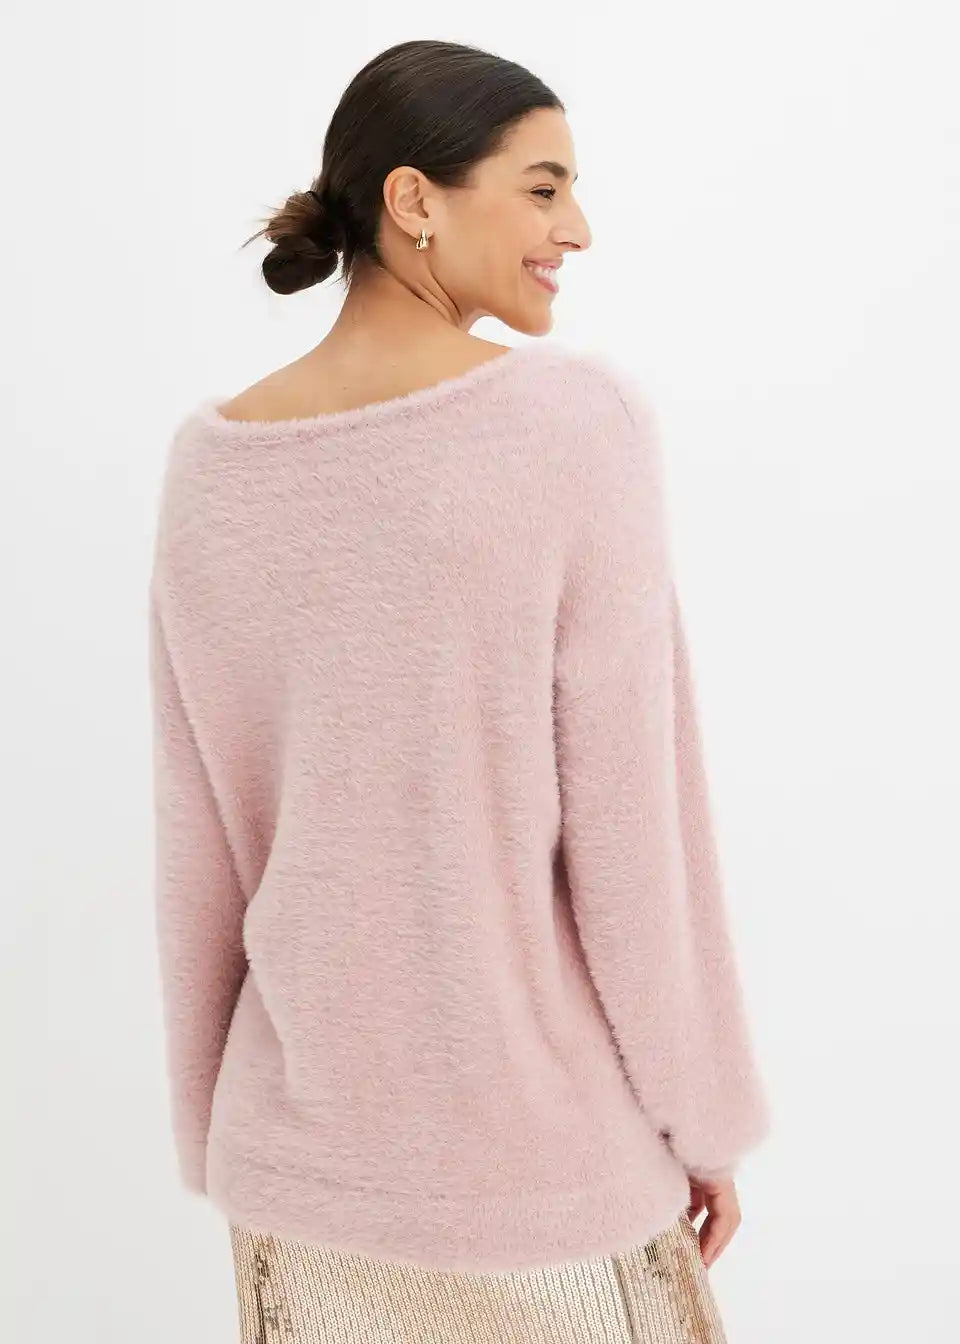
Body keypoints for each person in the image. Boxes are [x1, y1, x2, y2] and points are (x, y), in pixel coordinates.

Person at [148, 37, 772, 1344]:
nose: (578, 227)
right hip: (541, 1175)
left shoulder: (212, 466)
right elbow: (634, 837)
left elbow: (199, 851)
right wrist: (702, 1120)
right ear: (414, 200)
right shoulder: (574, 428)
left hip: (298, 1178)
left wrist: (220, 1136)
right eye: (543, 188)